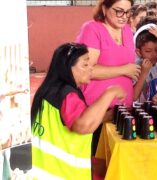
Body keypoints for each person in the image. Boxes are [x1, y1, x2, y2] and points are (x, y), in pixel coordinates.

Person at [31, 43, 126, 179]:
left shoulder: (49, 90)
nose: (90, 68)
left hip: (43, 171)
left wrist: (107, 116)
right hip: (63, 173)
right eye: (85, 65)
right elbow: (83, 125)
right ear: (68, 68)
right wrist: (109, 93)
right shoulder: (67, 95)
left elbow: (66, 120)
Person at [76, 0, 139, 172]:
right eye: (118, 11)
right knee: (95, 165)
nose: (123, 17)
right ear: (104, 8)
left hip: (122, 112)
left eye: (128, 12)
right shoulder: (92, 29)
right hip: (97, 110)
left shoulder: (127, 31)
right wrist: (123, 69)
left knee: (117, 166)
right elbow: (86, 70)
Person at [133, 28, 157, 102]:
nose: (154, 54)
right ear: (138, 52)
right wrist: (144, 73)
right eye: (148, 51)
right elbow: (134, 97)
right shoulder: (135, 67)